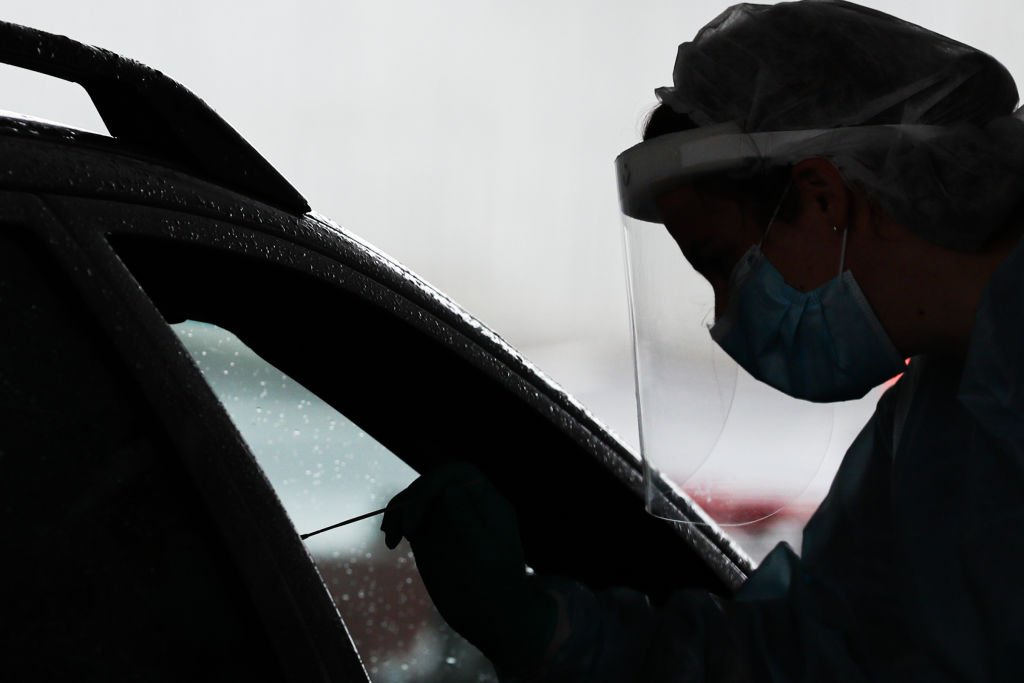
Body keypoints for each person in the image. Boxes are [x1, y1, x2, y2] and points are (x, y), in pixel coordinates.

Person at [382, 1, 1024, 680]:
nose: (727, 316)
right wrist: (545, 629)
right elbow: (822, 657)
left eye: (724, 262)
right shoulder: (941, 422)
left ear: (824, 195)